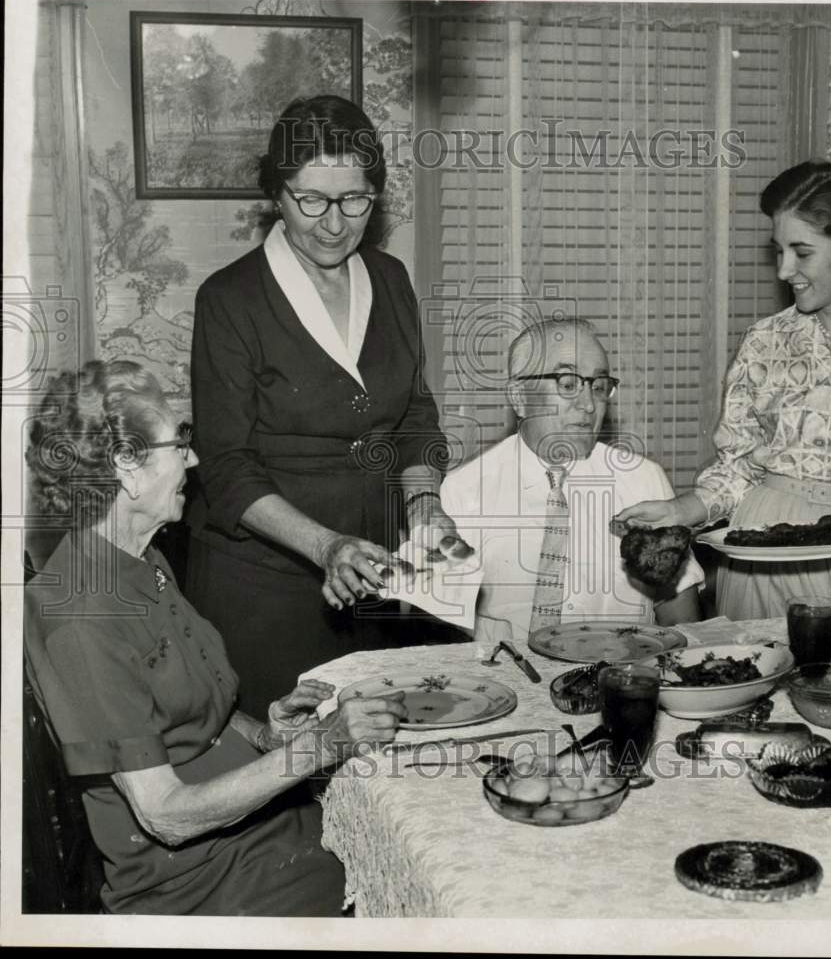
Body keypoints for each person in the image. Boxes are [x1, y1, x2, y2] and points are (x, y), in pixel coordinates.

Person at [24, 361, 406, 916]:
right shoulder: (81, 619)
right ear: (126, 465)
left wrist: (267, 733)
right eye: (179, 443)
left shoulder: (140, 559)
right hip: (197, 881)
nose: (194, 458)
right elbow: (165, 816)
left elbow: (184, 718)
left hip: (255, 832)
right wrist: (320, 746)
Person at [186, 95, 468, 718]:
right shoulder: (229, 300)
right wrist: (326, 547)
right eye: (311, 200)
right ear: (275, 194)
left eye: (355, 200)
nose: (334, 224)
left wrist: (424, 507)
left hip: (379, 584)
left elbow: (415, 419)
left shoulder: (391, 280)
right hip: (267, 594)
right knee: (287, 778)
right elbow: (226, 469)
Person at [616, 160, 831, 633]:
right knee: (749, 688)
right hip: (758, 552)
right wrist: (680, 510)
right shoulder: (764, 342)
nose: (783, 269)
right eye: (779, 251)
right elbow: (737, 470)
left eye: (801, 252)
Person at [439, 318, 703, 642]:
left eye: (599, 386)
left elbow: (681, 622)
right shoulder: (463, 491)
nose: (589, 404)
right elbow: (445, 636)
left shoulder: (644, 481)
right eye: (567, 383)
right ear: (519, 396)